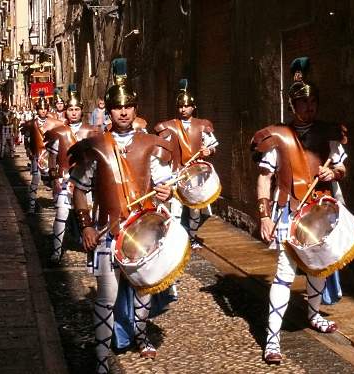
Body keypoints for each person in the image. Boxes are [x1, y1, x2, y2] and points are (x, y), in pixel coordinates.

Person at [68, 58, 174, 373]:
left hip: (140, 231)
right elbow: (79, 189)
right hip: (106, 230)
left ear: (135, 108)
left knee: (142, 291)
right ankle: (102, 356)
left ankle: (140, 336)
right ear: (109, 111)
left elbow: (162, 183)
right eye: (117, 107)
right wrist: (86, 226)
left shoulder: (149, 145)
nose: (123, 111)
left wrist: (165, 192)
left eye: (128, 106)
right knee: (106, 294)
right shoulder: (96, 147)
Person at [250, 57, 348, 364]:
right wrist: (264, 215)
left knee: (319, 265)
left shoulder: (328, 133)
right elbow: (265, 177)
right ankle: (272, 338)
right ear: (292, 105)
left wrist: (336, 173)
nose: (309, 107)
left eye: (313, 102)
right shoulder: (278, 137)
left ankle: (314, 314)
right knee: (284, 275)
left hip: (321, 210)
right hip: (289, 211)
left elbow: (341, 165)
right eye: (302, 103)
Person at [154, 78, 218, 249]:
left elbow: (212, 146)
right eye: (180, 106)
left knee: (195, 206)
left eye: (186, 106)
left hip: (196, 172)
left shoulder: (202, 125)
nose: (183, 109)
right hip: (177, 171)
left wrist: (208, 151)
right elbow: (162, 147)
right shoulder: (170, 126)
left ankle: (192, 236)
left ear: (193, 107)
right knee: (175, 207)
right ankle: (174, 238)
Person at [48, 84, 99, 264]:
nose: (74, 113)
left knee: (90, 217)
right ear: (66, 111)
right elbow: (53, 156)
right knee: (61, 214)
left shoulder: (91, 132)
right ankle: (56, 250)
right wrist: (54, 178)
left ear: (81, 111)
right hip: (64, 178)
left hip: (85, 181)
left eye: (77, 109)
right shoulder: (59, 132)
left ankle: (92, 252)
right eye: (71, 109)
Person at [22, 93, 64, 214]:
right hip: (37, 154)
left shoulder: (53, 123)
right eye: (41, 109)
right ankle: (31, 205)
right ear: (37, 110)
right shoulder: (32, 123)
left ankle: (57, 203)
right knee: (35, 179)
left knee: (53, 178)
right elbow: (27, 136)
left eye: (45, 109)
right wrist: (28, 149)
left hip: (50, 155)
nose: (43, 111)